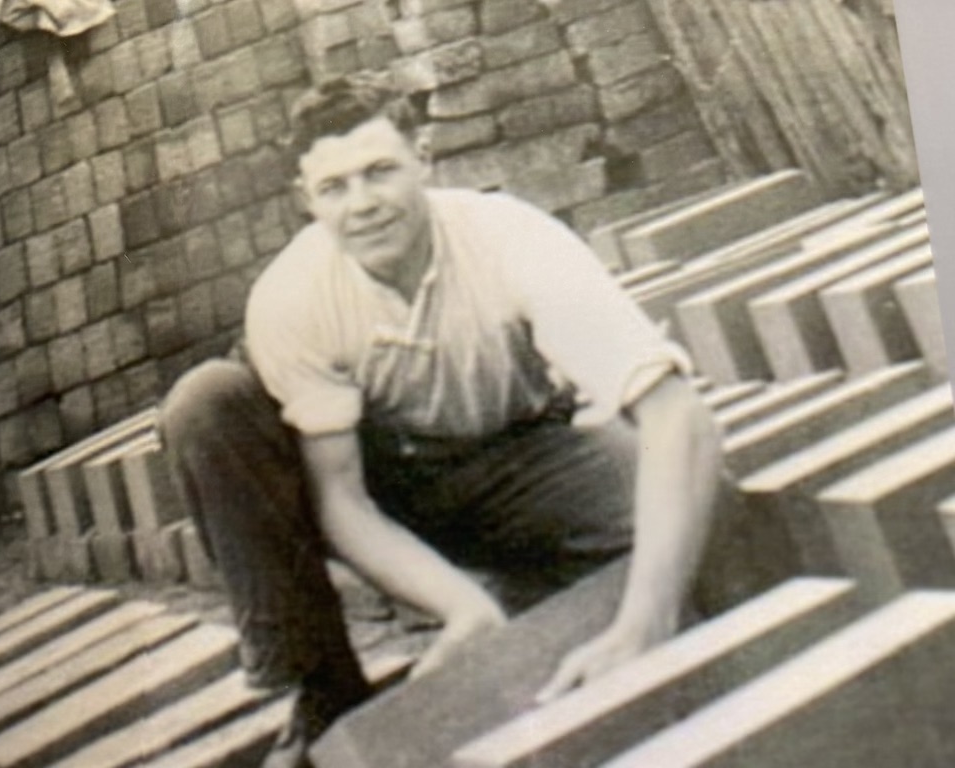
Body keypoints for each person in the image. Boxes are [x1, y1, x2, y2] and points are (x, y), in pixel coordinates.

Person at [160, 73, 723, 767]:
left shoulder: (509, 238)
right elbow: (341, 497)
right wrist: (461, 610)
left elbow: (679, 418)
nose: (362, 204)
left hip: (510, 452)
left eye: (380, 172)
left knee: (701, 507)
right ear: (306, 201)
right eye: (335, 188)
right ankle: (323, 689)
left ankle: (541, 606)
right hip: (378, 481)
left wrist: (648, 622)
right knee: (207, 404)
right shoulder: (290, 298)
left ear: (422, 157)